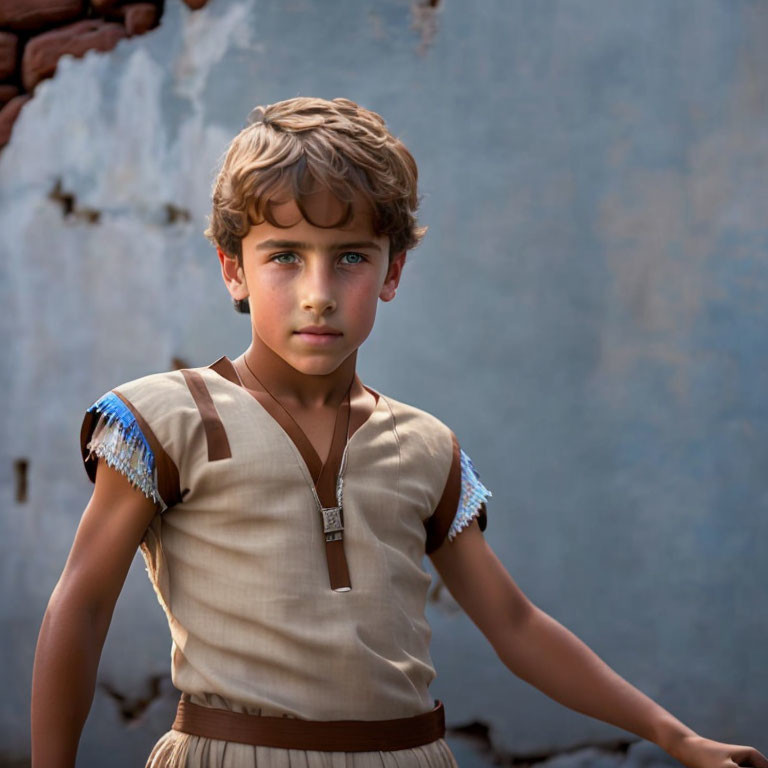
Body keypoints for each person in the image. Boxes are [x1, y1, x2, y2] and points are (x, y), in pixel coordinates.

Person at [30, 97, 767, 768]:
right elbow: (84, 604)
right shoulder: (166, 419)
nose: (318, 294)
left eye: (350, 256)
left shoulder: (425, 447)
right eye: (283, 256)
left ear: (393, 271)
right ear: (233, 269)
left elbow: (514, 623)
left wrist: (677, 736)